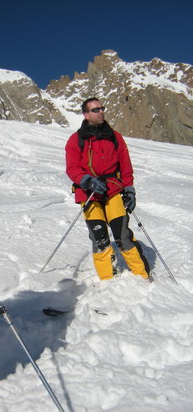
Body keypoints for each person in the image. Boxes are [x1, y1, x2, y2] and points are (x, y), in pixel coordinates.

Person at [65, 97, 150, 281]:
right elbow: (72, 168)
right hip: (89, 193)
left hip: (113, 191)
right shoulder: (76, 140)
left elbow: (125, 166)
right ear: (86, 114)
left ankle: (143, 276)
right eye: (96, 110)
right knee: (99, 237)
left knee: (122, 235)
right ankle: (108, 280)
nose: (101, 112)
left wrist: (129, 190)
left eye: (102, 108)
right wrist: (87, 180)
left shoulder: (115, 137)